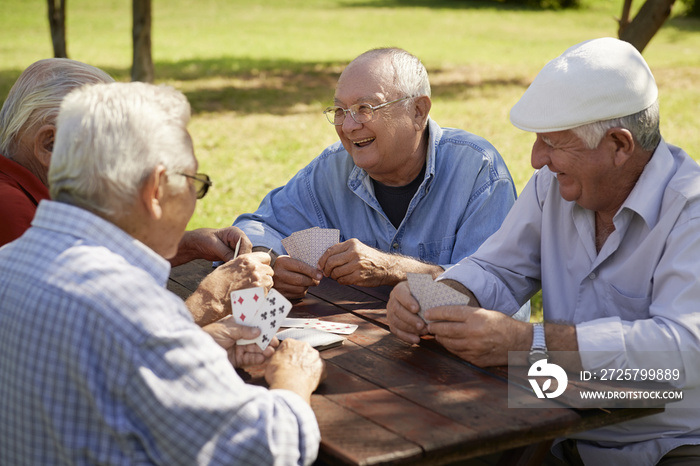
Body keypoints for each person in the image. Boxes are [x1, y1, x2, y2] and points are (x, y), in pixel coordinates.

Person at [387, 38, 700, 465]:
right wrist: (440, 294)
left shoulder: (691, 211)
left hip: (671, 442)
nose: (536, 160)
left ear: (619, 146)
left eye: (554, 143)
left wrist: (530, 342)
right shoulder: (554, 186)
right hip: (558, 426)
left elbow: (682, 351)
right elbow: (498, 268)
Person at [0, 82, 325, 465]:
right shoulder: (133, 308)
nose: (192, 200)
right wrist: (294, 375)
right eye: (193, 183)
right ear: (155, 189)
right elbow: (269, 448)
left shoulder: (9, 260)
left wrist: (198, 346)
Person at [233, 47, 519, 301]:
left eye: (365, 108)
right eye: (340, 110)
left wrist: (394, 269)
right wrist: (270, 263)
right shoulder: (332, 168)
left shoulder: (478, 171)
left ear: (418, 111)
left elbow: (493, 293)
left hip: (448, 356)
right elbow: (256, 227)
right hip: (357, 353)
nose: (347, 126)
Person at [0, 57, 252, 265]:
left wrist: (188, 244)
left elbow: (97, 260)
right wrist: (211, 299)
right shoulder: (12, 209)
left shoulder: (39, 193)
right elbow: (88, 313)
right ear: (49, 145)